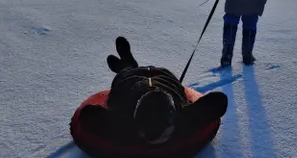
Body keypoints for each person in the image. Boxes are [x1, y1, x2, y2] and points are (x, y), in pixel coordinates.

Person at [80, 37, 228, 144]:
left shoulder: (184, 120)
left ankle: (127, 65)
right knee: (126, 74)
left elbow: (219, 101)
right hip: (141, 79)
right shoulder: (126, 123)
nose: (152, 139)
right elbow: (87, 116)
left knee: (126, 74)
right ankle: (126, 64)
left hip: (161, 77)